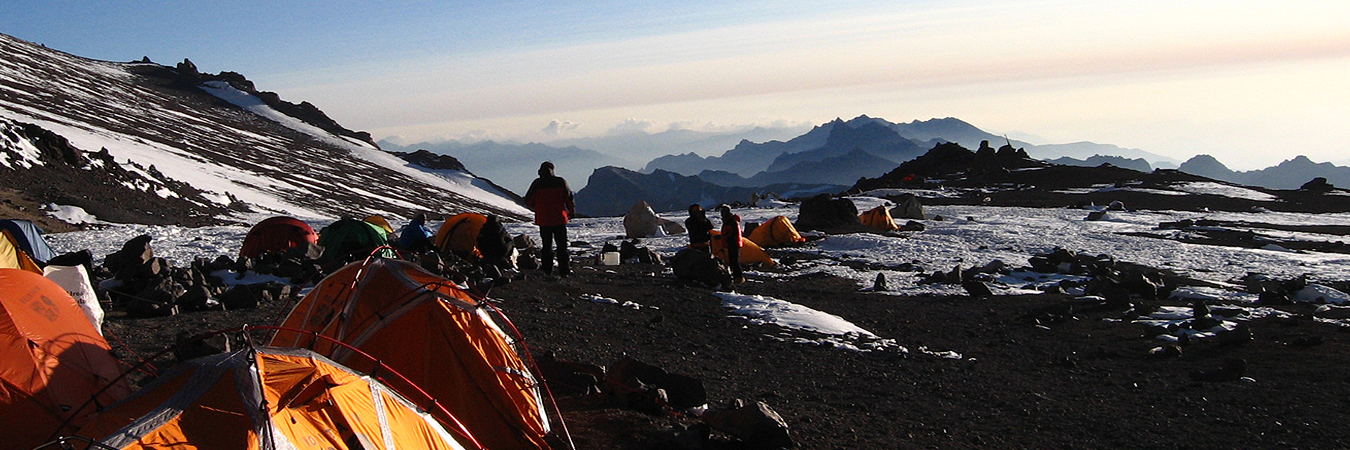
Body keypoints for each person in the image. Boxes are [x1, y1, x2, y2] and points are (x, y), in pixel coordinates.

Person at [523, 161, 575, 277]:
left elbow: (528, 200)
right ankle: (564, 271)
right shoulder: (560, 181)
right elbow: (569, 198)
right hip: (559, 219)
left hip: (544, 219)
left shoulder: (537, 183)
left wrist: (538, 207)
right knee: (562, 246)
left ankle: (547, 270)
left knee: (547, 245)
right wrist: (571, 212)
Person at [719, 205, 744, 283]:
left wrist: (726, 238)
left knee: (734, 261)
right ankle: (736, 276)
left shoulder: (731, 221)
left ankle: (738, 277)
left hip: (733, 243)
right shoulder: (731, 220)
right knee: (733, 260)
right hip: (734, 243)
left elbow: (731, 233)